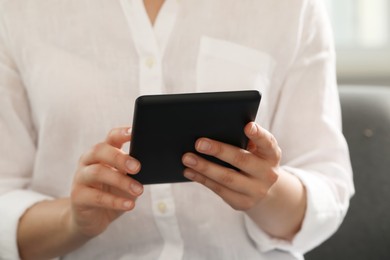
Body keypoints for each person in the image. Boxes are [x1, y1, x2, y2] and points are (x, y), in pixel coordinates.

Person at [0, 0, 354, 259]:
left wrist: (267, 193)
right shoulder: (17, 12)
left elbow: (327, 188)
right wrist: (72, 221)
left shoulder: (293, 8)